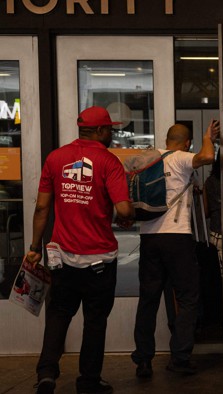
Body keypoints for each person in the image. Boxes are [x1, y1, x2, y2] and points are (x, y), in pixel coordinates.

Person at [27, 106, 135, 394]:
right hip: (99, 260)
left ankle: (46, 374)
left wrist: (34, 248)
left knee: (59, 315)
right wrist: (128, 213)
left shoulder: (56, 158)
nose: (111, 133)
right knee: (95, 321)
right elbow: (124, 208)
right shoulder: (108, 162)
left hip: (61, 257)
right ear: (100, 131)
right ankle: (88, 381)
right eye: (109, 129)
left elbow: (41, 207)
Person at [131, 120, 219, 378]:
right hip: (176, 238)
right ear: (186, 142)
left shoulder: (151, 158)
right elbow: (208, 156)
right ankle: (180, 358)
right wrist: (207, 138)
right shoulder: (180, 158)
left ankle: (143, 361)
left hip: (149, 237)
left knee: (148, 300)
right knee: (188, 298)